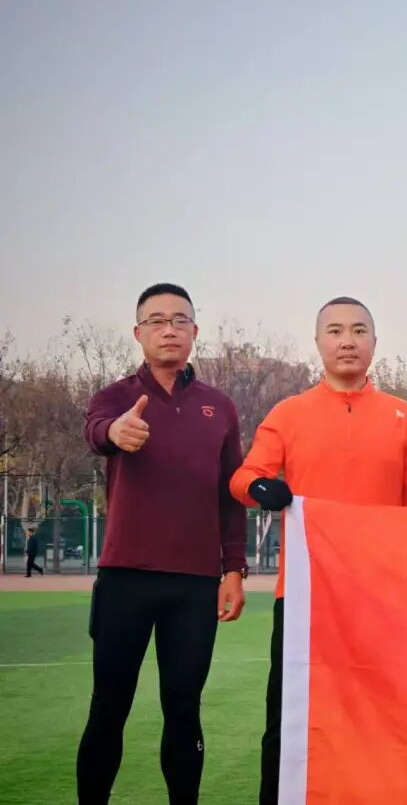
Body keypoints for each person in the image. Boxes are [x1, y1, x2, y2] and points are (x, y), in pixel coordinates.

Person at [230, 296, 407, 805]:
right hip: (306, 597)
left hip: (382, 596)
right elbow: (244, 477)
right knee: (289, 719)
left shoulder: (401, 414)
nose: (348, 341)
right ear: (318, 342)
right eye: (336, 331)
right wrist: (261, 489)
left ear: (374, 342)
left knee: (388, 717)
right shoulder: (289, 413)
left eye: (359, 331)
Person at [77, 283, 247, 805]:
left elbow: (231, 495)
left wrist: (234, 570)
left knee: (184, 707)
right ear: (138, 333)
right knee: (109, 706)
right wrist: (115, 432)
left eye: (179, 320)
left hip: (194, 585)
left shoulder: (219, 407)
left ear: (194, 331)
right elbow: (96, 430)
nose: (168, 329)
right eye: (156, 320)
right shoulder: (115, 397)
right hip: (125, 578)